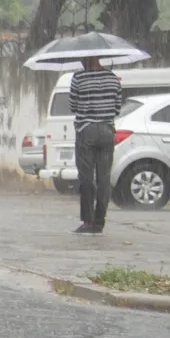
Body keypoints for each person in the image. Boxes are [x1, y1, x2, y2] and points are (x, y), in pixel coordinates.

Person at [69, 56, 125, 235]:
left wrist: (88, 107)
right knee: (104, 179)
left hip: (87, 131)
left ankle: (87, 221)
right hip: (108, 132)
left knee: (86, 178)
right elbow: (117, 108)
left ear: (86, 59)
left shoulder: (79, 78)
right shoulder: (112, 78)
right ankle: (99, 221)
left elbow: (73, 106)